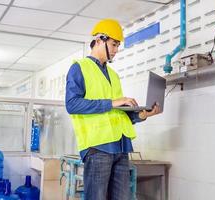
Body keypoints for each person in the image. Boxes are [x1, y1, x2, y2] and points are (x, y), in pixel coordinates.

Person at [65, 18, 160, 200]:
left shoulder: (113, 75)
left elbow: (118, 114)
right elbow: (72, 104)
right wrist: (113, 102)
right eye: (114, 44)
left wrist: (142, 114)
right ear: (99, 40)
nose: (116, 50)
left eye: (118, 46)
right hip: (98, 147)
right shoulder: (79, 68)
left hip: (121, 147)